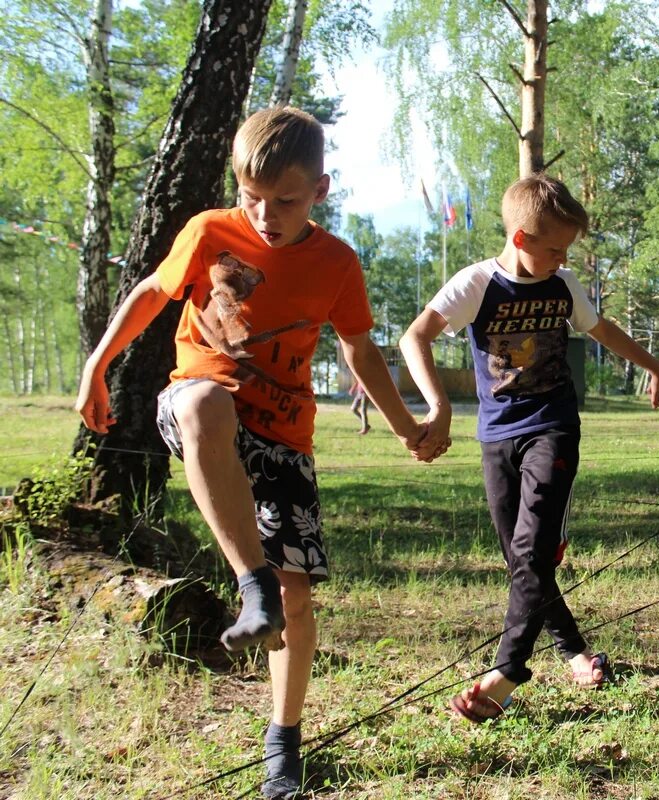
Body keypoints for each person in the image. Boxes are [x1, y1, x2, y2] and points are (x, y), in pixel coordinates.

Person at [74, 107, 432, 798]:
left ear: (321, 191)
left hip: (285, 436)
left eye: (285, 201)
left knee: (299, 600)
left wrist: (401, 424)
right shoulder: (211, 232)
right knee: (207, 402)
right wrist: (97, 364)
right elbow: (152, 293)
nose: (265, 214)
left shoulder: (336, 263)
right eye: (251, 197)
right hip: (198, 405)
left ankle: (284, 742)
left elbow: (359, 350)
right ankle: (250, 584)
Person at [400, 174, 659, 722]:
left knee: (530, 551)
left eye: (566, 250)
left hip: (553, 426)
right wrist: (440, 405)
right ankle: (575, 649)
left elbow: (603, 330)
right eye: (554, 248)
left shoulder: (563, 284)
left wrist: (655, 367)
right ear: (521, 239)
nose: (561, 258)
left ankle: (506, 674)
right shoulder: (477, 284)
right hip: (497, 436)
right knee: (522, 561)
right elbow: (415, 336)